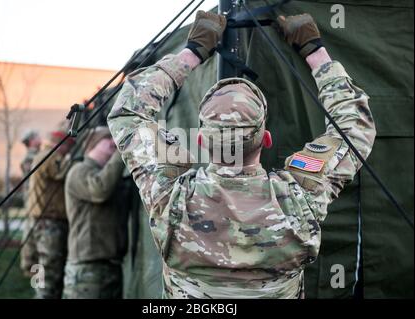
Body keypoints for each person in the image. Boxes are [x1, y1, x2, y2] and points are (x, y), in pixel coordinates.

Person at [107, 11, 376, 299]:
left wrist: (192, 52)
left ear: (201, 140)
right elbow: (354, 126)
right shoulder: (301, 196)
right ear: (267, 139)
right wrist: (314, 50)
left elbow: (128, 112)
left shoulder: (170, 197)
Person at [62, 127, 128, 299]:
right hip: (88, 268)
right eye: (108, 138)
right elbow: (100, 190)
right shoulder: (79, 171)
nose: (114, 141)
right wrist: (122, 152)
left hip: (111, 266)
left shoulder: (110, 175)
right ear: (92, 145)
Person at [27, 126, 75, 299]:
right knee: (49, 269)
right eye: (68, 147)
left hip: (41, 221)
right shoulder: (50, 156)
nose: (68, 151)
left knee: (41, 266)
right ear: (61, 145)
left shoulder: (42, 155)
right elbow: (61, 173)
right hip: (49, 223)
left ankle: (38, 293)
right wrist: (72, 158)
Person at [19, 130, 42, 276]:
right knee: (30, 230)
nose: (41, 138)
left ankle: (30, 263)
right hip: (32, 199)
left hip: (33, 198)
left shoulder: (35, 156)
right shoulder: (31, 158)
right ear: (32, 140)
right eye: (38, 136)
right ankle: (28, 264)